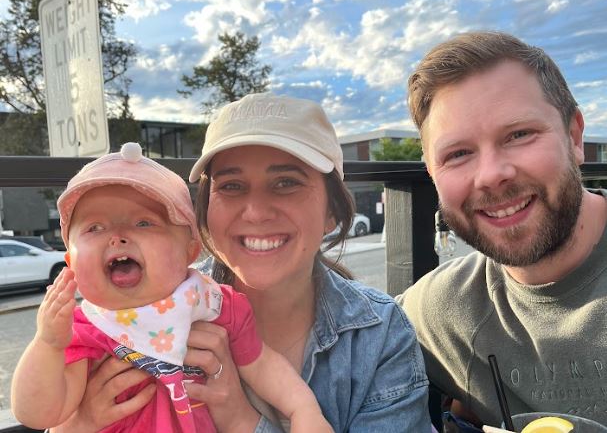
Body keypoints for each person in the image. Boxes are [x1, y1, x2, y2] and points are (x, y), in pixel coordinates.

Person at [50, 93, 433, 432]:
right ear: (205, 211)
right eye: (231, 186)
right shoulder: (127, 308)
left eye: (286, 182)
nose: (256, 212)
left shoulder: (378, 335)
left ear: (331, 211)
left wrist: (238, 419)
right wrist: (76, 426)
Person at [11, 142, 332, 432]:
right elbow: (38, 414)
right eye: (94, 227)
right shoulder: (85, 328)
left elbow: (261, 365)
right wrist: (48, 344)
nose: (118, 236)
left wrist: (303, 409)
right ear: (70, 261)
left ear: (189, 252)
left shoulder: (212, 304)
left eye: (143, 223)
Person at [397, 31, 607, 429]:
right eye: (458, 154)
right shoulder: (443, 310)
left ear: (574, 136)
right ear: (432, 173)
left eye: (519, 135)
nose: (491, 175)